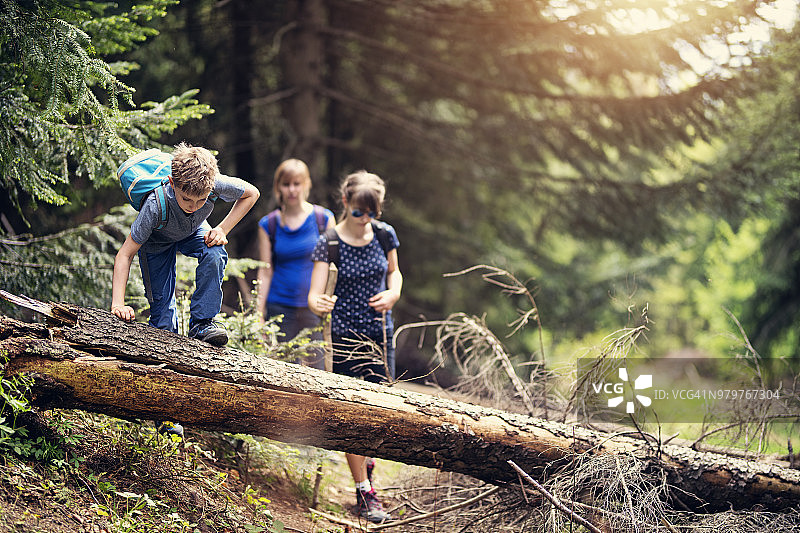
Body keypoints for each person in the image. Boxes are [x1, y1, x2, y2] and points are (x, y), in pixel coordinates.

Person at [111, 142, 260, 434]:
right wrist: (118, 302)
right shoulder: (156, 205)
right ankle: (166, 414)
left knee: (215, 252)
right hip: (156, 243)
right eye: (186, 199)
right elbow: (124, 254)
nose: (193, 206)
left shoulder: (213, 184)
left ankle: (202, 323)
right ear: (171, 182)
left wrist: (222, 229)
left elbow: (251, 193)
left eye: (200, 200)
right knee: (163, 320)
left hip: (193, 233)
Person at [307, 170, 402, 524]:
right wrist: (319, 304)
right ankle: (364, 491)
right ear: (345, 203)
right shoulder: (329, 241)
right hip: (344, 337)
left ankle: (365, 459)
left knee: (380, 411)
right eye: (360, 212)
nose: (366, 220)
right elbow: (313, 296)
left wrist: (394, 293)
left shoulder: (384, 234)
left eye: (372, 213)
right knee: (353, 414)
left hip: (380, 333)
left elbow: (394, 272)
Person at [256, 159, 334, 364]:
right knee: (281, 369)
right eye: (286, 184)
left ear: (307, 184)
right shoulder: (269, 224)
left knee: (315, 370)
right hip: (279, 306)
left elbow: (335, 266)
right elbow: (265, 270)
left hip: (314, 309)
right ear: (278, 187)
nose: (292, 190)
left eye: (297, 183)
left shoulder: (323, 219)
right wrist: (258, 314)